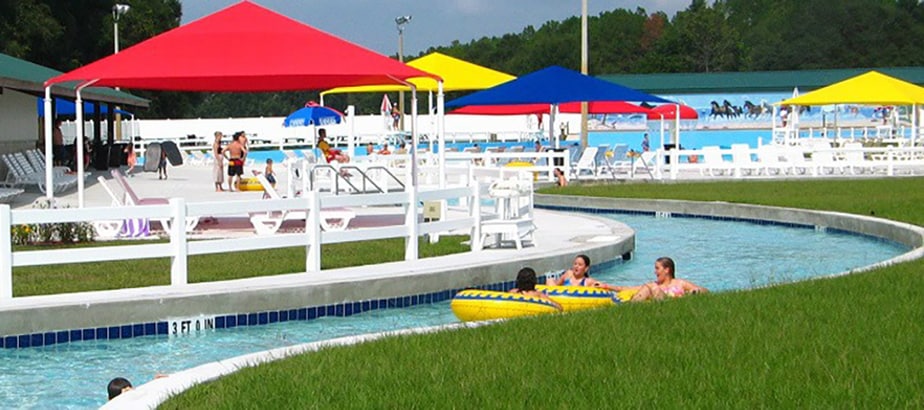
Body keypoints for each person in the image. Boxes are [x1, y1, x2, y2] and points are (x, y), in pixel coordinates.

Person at [597, 257, 707, 302]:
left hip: (671, 304)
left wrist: (695, 291)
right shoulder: (652, 285)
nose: (655, 272)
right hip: (660, 304)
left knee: (652, 287)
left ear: (667, 270)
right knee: (648, 287)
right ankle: (631, 307)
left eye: (657, 268)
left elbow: (704, 291)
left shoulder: (680, 283)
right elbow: (627, 289)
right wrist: (606, 286)